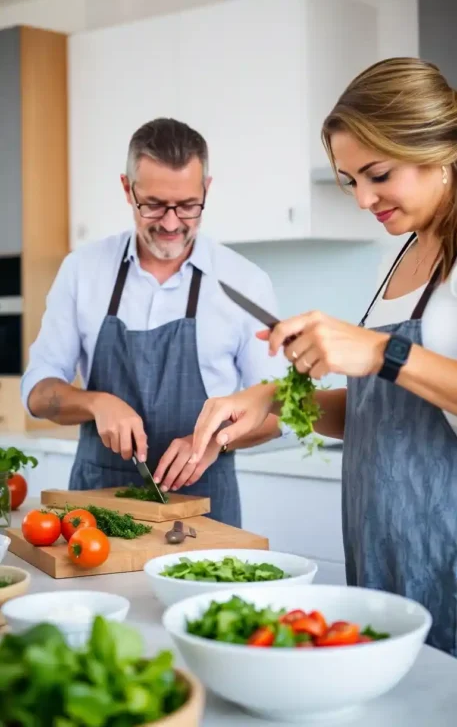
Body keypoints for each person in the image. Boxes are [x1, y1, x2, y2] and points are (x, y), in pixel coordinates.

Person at [191, 57, 457, 655]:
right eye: (350, 180)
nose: (363, 199)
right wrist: (278, 403)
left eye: (378, 174)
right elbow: (387, 409)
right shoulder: (409, 250)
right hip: (384, 547)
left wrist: (379, 351)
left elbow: (389, 365)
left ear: (438, 149)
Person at [21, 117, 286, 527]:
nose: (170, 223)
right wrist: (96, 402)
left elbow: (279, 411)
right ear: (128, 189)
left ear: (206, 190)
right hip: (96, 509)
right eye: (154, 205)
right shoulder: (83, 271)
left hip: (204, 507)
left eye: (188, 206)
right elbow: (37, 393)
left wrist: (215, 441)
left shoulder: (245, 282)